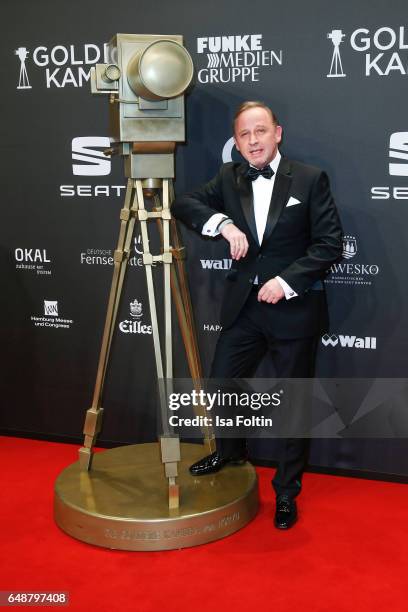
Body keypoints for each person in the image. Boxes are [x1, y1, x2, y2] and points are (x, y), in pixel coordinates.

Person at [171, 101, 343, 529]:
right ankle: (230, 452)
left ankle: (286, 492)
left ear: (277, 133)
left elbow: (329, 244)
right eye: (245, 135)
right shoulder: (229, 177)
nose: (253, 141)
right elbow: (184, 203)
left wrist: (285, 282)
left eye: (260, 131)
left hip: (294, 310)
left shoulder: (309, 178)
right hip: (244, 308)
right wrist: (224, 225)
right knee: (222, 384)